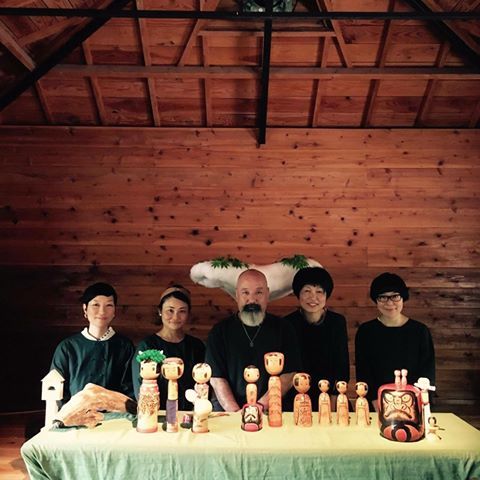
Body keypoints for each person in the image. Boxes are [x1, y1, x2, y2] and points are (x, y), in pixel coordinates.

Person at [205, 269, 301, 412]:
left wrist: (259, 407)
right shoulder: (219, 331)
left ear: (267, 294)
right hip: (229, 410)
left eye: (259, 292)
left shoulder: (284, 328)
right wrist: (236, 413)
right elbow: (217, 378)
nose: (252, 299)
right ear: (237, 295)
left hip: (272, 409)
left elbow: (288, 375)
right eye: (245, 292)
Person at [355, 272, 435, 410]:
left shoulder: (420, 331)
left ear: (403, 297)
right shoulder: (366, 331)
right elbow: (364, 372)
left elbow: (427, 371)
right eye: (383, 297)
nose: (389, 303)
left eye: (395, 296)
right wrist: (377, 405)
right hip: (376, 406)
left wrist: (415, 404)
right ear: (376, 300)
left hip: (413, 405)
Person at [50, 282, 134, 406]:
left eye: (109, 305)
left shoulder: (125, 346)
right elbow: (57, 390)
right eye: (96, 305)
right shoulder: (67, 347)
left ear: (114, 311)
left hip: (116, 414)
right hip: (74, 414)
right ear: (85, 309)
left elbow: (130, 389)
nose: (102, 311)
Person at [284, 267, 349, 411]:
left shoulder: (337, 322)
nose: (313, 298)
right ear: (298, 294)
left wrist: (332, 403)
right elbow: (288, 369)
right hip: (296, 398)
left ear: (326, 295)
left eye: (319, 292)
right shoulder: (287, 324)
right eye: (307, 291)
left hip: (331, 397)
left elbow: (342, 367)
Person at [132, 285, 205, 411]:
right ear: (160, 311)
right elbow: (140, 387)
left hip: (190, 415)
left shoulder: (196, 346)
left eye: (182, 311)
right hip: (157, 415)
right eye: (170, 310)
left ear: (188, 314)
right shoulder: (147, 346)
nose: (175, 317)